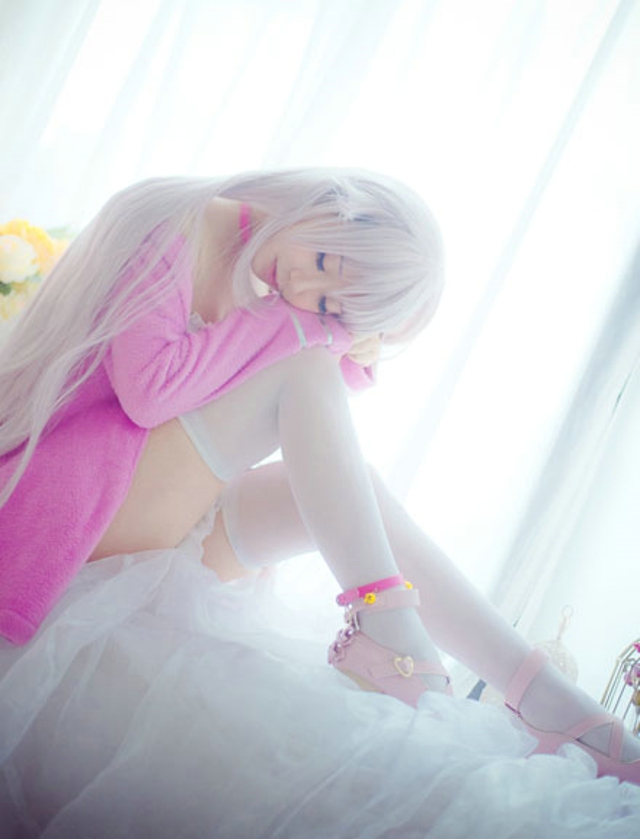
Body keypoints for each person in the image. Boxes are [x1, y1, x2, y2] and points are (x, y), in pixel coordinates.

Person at [0, 169, 638, 838]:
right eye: (326, 260)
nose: (302, 288)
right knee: (304, 369)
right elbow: (150, 391)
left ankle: (549, 700)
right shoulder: (167, 221)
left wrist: (327, 332)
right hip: (58, 505)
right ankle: (389, 630)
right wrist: (305, 329)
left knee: (360, 485)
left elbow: (288, 408)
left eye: (328, 301)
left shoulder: (260, 273)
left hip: (128, 502)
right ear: (330, 200)